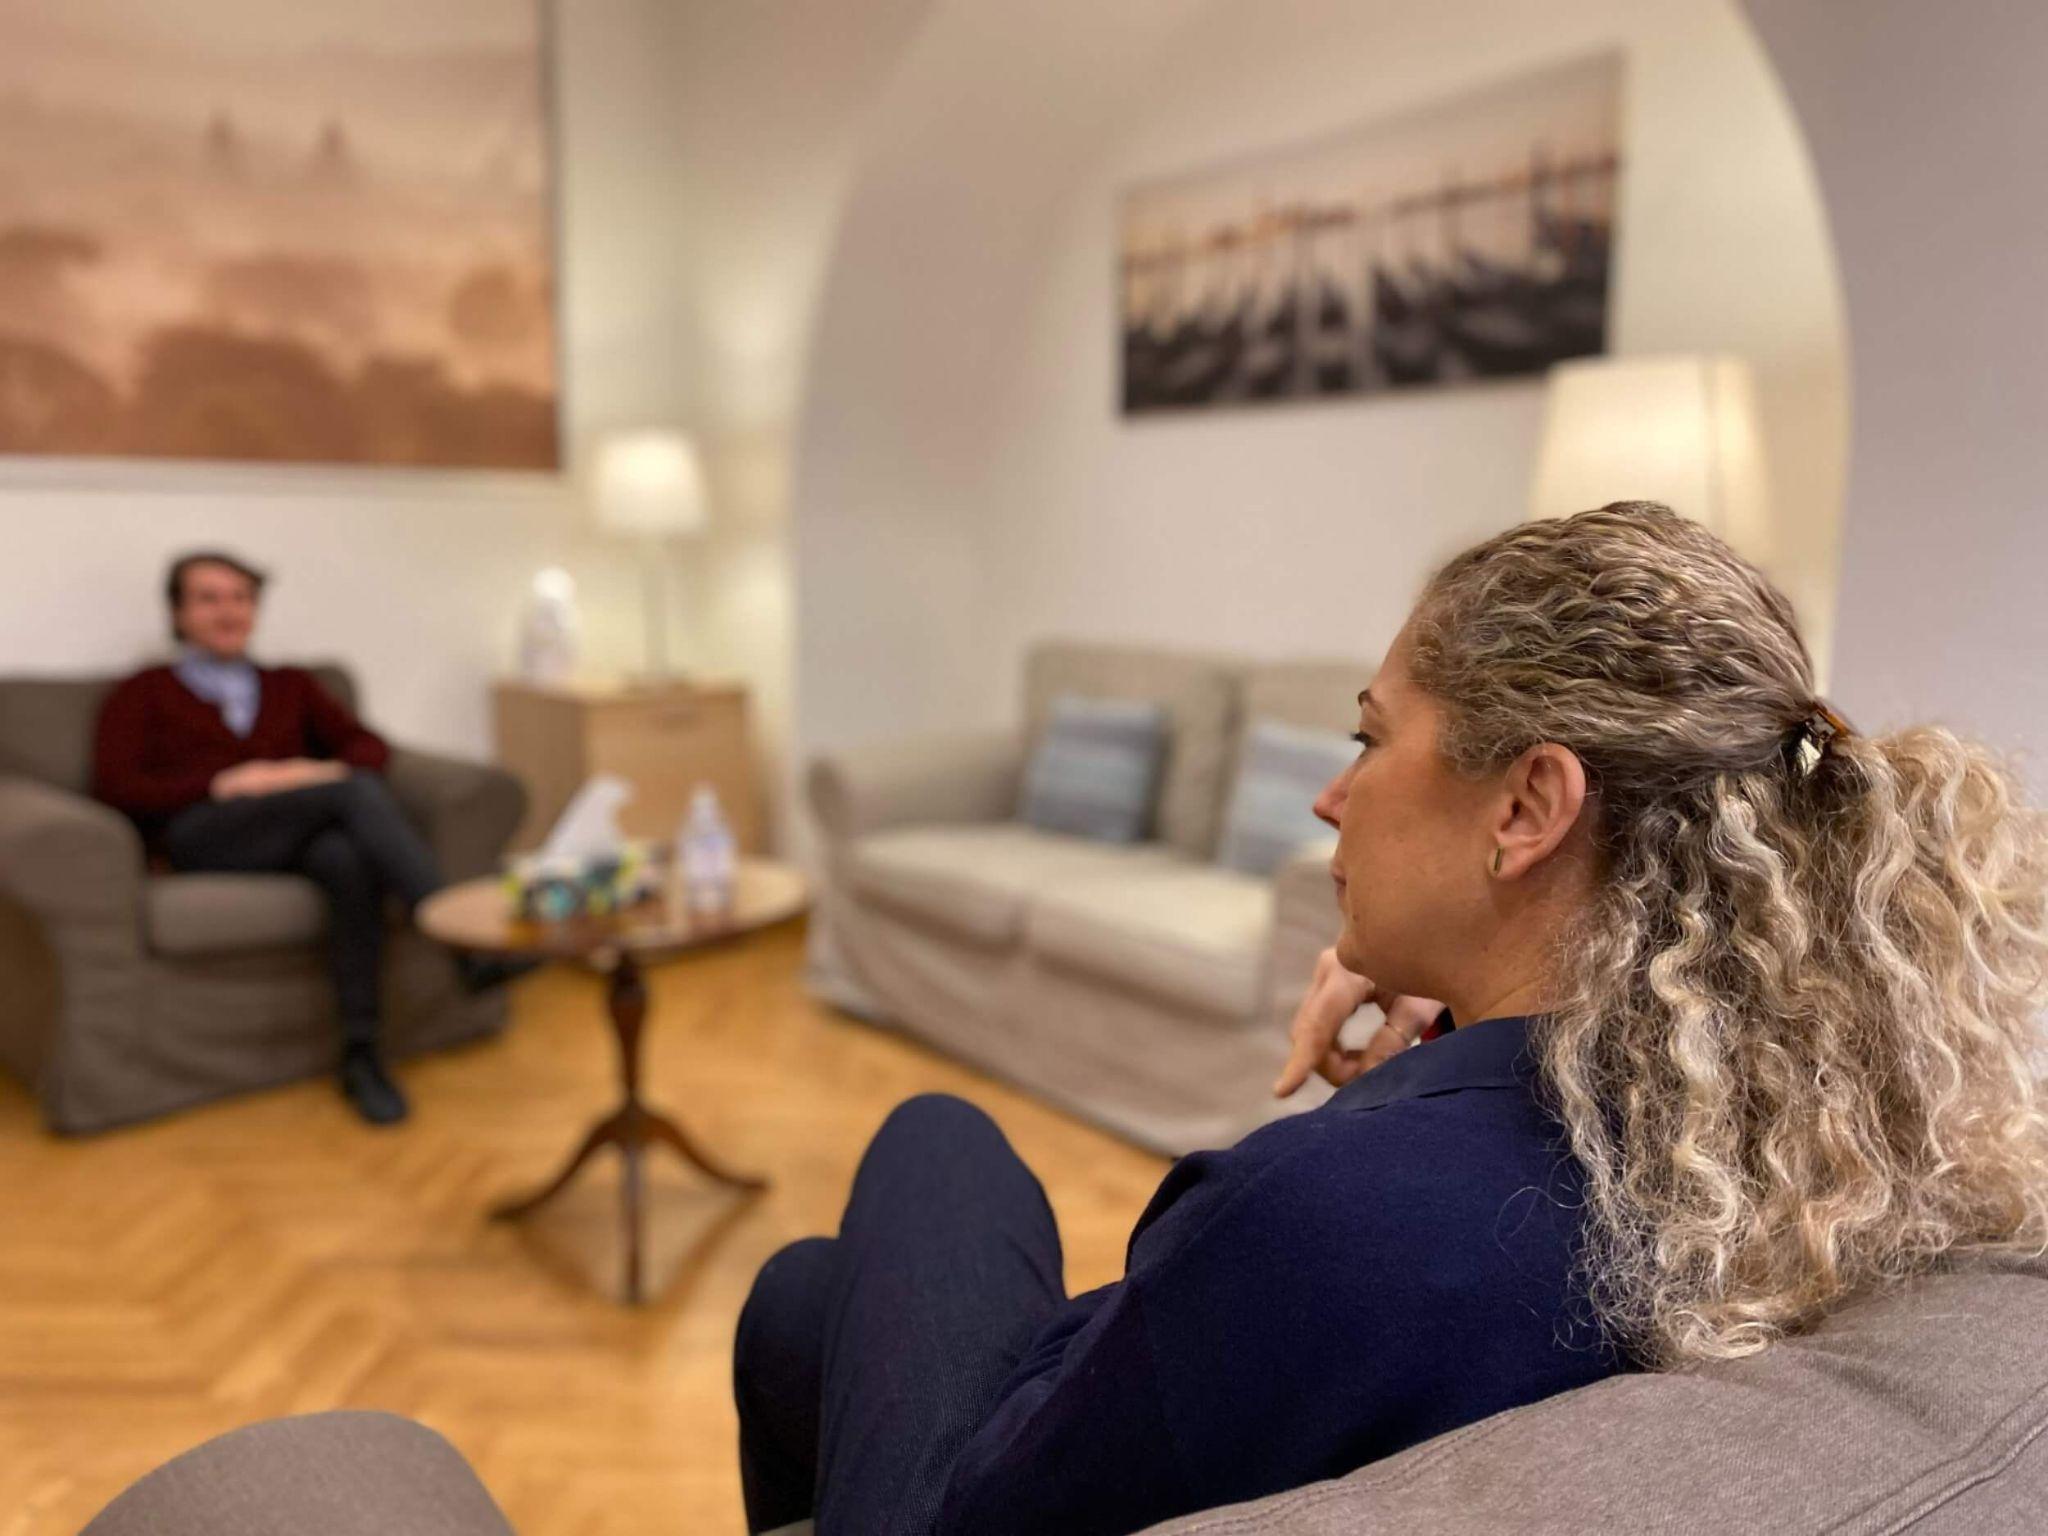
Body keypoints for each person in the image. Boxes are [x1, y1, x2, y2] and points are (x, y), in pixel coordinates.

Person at [732, 502, 2048, 1535]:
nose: (1329, 800)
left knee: (938, 1137)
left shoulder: (1324, 1205)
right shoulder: (1786, 1131)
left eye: (1369, 740)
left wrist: (1387, 1105)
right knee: (803, 1306)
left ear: (1528, 808)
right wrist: (1449, 1038)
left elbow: (1002, 1498)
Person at [92, 550, 510, 1126]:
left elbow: (369, 747)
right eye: (209, 598)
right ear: (179, 614)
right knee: (354, 794)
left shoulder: (290, 684)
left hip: (290, 832)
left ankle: (362, 1058)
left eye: (240, 598)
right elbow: (115, 785)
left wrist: (306, 774)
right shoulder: (143, 691)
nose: (227, 611)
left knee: (346, 857)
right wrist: (221, 782)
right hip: (201, 835)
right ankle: (463, 941)